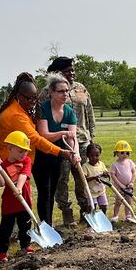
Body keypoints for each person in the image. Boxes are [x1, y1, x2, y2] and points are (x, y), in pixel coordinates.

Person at [0, 72, 75, 192]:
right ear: (19, 96)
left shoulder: (22, 110)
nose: (32, 102)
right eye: (29, 98)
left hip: (19, 161)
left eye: (34, 98)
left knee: (24, 198)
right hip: (10, 164)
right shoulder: (15, 114)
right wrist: (61, 152)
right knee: (16, 201)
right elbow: (35, 138)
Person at [44, 57, 96, 227]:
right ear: (58, 73)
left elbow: (89, 113)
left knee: (82, 177)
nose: (71, 73)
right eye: (67, 70)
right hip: (59, 143)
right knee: (62, 180)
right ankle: (66, 211)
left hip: (81, 140)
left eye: (73, 70)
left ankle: (86, 209)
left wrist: (92, 137)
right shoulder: (48, 91)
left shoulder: (81, 88)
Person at [34, 72, 79, 225]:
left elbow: (72, 137)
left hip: (59, 155)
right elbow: (44, 135)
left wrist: (75, 153)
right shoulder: (43, 108)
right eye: (60, 91)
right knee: (44, 191)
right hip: (42, 155)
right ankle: (45, 224)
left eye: (67, 91)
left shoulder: (70, 112)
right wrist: (62, 133)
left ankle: (48, 224)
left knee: (52, 191)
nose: (65, 94)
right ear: (51, 92)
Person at [0, 131, 37, 262]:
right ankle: (1, 253)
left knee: (25, 226)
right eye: (21, 151)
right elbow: (1, 183)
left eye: (25, 151)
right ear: (10, 148)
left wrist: (18, 188)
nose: (24, 154)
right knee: (5, 229)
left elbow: (23, 175)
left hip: (24, 200)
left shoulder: (26, 160)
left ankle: (25, 246)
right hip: (9, 204)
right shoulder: (3, 166)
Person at [110, 140, 136, 222]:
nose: (125, 155)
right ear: (116, 153)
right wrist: (121, 185)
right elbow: (113, 175)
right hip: (119, 187)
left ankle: (127, 215)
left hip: (128, 187)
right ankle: (115, 216)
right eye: (122, 153)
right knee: (118, 202)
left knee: (128, 201)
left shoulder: (130, 162)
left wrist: (131, 182)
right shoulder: (114, 165)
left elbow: (134, 172)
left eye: (127, 153)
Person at [81, 142, 109, 215]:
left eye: (97, 155)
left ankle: (103, 218)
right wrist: (94, 178)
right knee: (92, 207)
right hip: (91, 192)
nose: (94, 158)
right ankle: (91, 222)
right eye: (92, 156)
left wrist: (106, 174)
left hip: (101, 191)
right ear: (87, 156)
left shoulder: (101, 164)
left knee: (104, 206)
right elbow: (84, 180)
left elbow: (105, 173)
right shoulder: (85, 166)